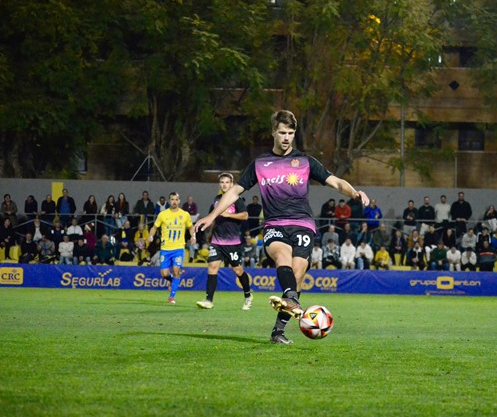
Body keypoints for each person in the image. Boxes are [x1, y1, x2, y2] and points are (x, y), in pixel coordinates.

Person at [195, 110, 369, 345]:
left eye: (290, 133)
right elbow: (235, 192)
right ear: (273, 133)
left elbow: (335, 181)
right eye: (282, 132)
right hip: (274, 224)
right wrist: (213, 215)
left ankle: (278, 331)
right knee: (281, 256)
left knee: (297, 276)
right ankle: (290, 299)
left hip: (303, 224)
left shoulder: (306, 161)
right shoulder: (260, 164)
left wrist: (354, 192)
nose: (286, 137)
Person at [196, 173, 253, 310]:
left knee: (238, 271)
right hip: (217, 241)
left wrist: (228, 214)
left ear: (232, 184)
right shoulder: (217, 199)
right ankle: (208, 300)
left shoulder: (236, 199)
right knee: (212, 267)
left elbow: (245, 215)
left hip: (232, 242)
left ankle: (248, 295)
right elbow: (212, 218)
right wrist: (209, 233)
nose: (224, 184)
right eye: (222, 182)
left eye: (227, 182)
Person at [148, 192, 195, 304]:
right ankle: (172, 280)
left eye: (176, 199)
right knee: (164, 274)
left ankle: (171, 297)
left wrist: (193, 236)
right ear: (169, 201)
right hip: (165, 248)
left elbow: (190, 227)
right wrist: (151, 235)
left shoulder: (185, 214)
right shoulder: (162, 214)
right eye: (172, 199)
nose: (174, 201)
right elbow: (154, 227)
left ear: (179, 201)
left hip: (179, 248)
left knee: (176, 270)